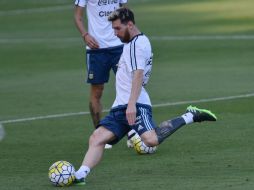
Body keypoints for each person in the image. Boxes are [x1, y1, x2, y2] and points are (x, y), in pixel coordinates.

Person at [74, 7, 217, 185]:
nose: (115, 33)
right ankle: (80, 175)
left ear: (130, 25)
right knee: (96, 138)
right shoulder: (132, 43)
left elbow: (138, 74)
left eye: (117, 28)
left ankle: (190, 115)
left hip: (136, 104)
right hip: (121, 106)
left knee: (150, 140)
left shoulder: (137, 45)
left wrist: (132, 104)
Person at [74, 0, 130, 149]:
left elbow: (125, 12)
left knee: (128, 88)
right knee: (97, 91)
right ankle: (99, 132)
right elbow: (77, 16)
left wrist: (127, 35)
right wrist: (85, 35)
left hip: (119, 46)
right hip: (96, 49)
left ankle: (133, 132)